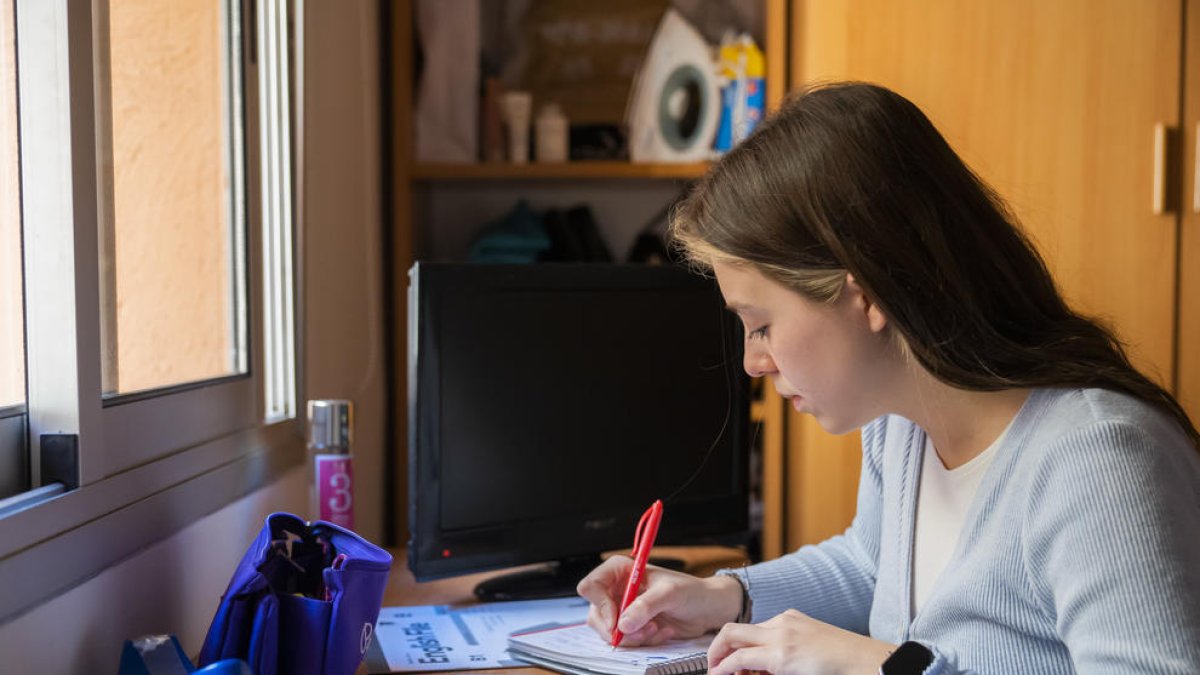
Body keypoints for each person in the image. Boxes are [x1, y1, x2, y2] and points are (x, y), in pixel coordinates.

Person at [575, 82, 1200, 674]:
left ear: (867, 295)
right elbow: (873, 567)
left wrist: (880, 666)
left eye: (761, 325)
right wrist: (725, 596)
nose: (752, 363)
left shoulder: (1098, 459)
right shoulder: (900, 421)